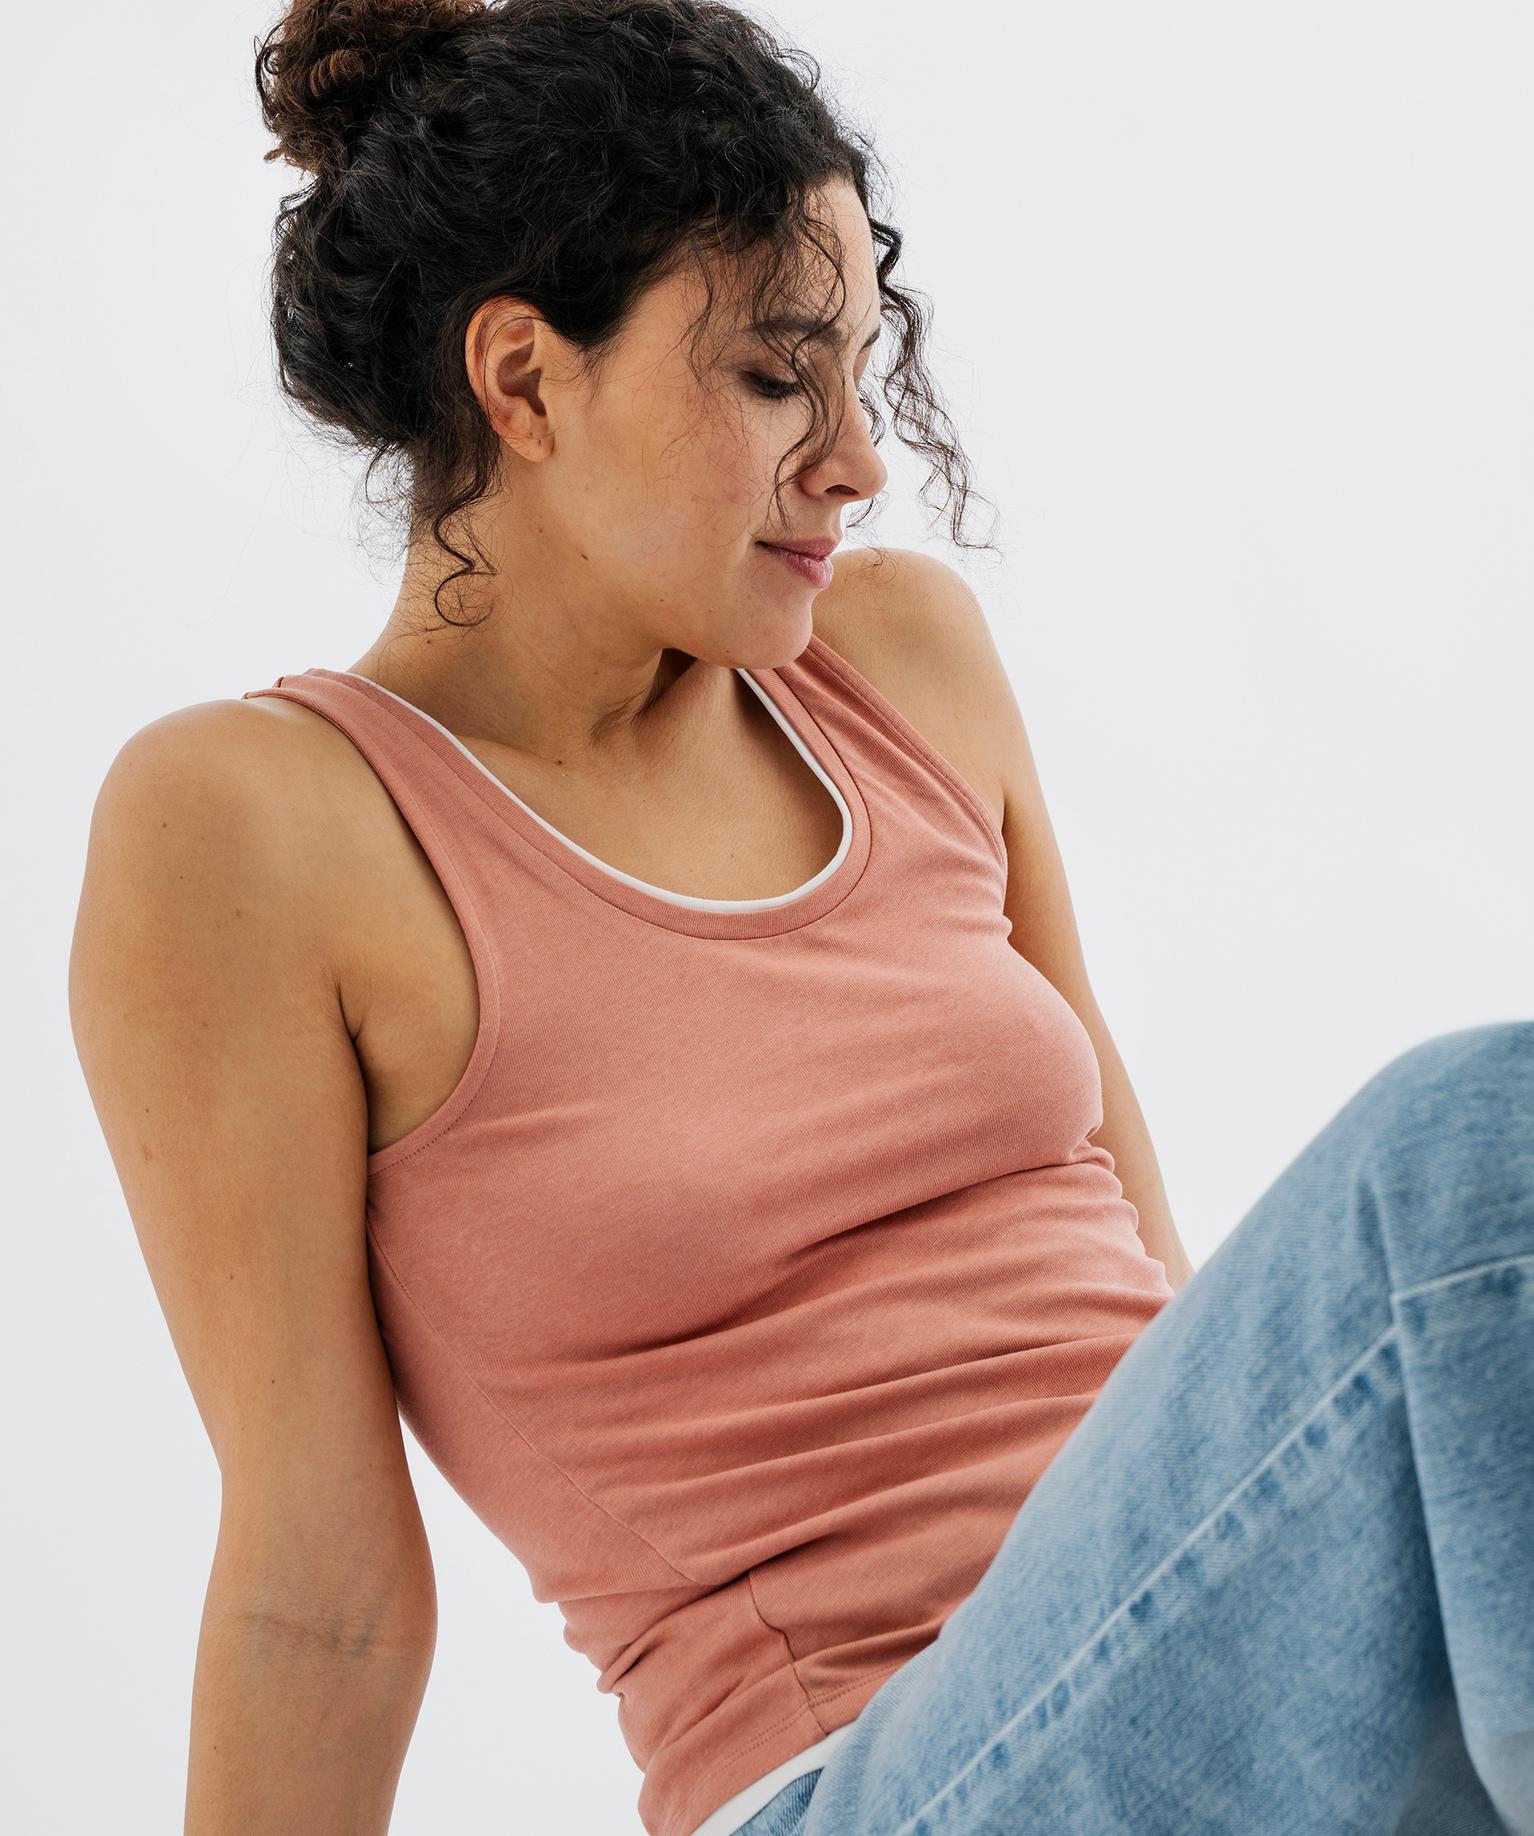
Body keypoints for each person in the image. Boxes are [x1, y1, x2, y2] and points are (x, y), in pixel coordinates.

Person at [67, 3, 1533, 1834]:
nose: (857, 459)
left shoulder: (898, 660)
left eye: (858, 373)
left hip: (1222, 1660)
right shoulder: (262, 825)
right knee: (1473, 1148)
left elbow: (1158, 1297)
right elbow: (321, 1595)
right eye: (776, 377)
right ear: (523, 380)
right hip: (860, 1771)